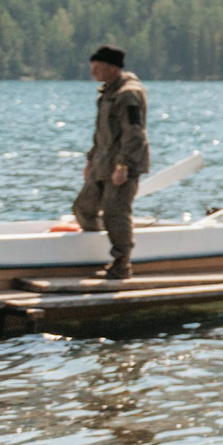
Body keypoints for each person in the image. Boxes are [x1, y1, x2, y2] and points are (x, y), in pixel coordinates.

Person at [74, 45, 149, 279]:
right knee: (83, 208)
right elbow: (102, 133)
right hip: (101, 163)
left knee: (115, 213)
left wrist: (123, 165)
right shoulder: (107, 92)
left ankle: (121, 264)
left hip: (121, 166)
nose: (92, 72)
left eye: (96, 68)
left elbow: (134, 134)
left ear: (112, 68)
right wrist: (90, 160)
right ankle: (96, 253)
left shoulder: (128, 94)